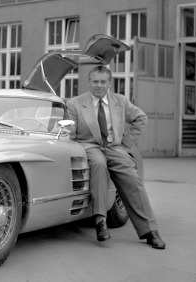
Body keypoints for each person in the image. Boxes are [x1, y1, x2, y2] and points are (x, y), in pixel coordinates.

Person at [66, 66, 166, 249]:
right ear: (89, 82)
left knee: (133, 178)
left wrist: (126, 144)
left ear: (109, 83)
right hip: (90, 146)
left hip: (114, 147)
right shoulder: (75, 104)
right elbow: (70, 132)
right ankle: (100, 221)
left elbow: (141, 118)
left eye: (103, 82)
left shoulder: (120, 101)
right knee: (98, 164)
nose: (99, 85)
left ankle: (150, 231)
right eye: (95, 81)